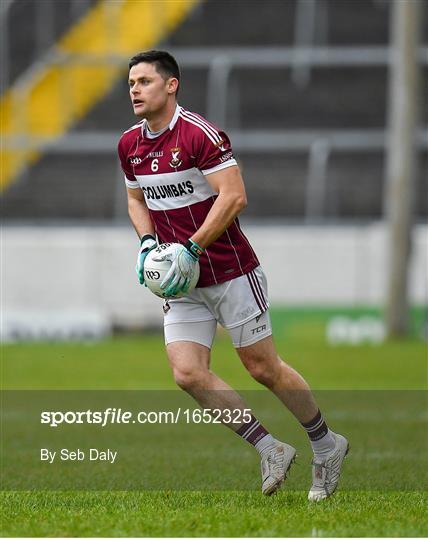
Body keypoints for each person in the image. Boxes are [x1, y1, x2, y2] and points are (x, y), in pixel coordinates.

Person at [118, 49, 349, 500]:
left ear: (171, 85)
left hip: (229, 270)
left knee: (262, 368)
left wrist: (191, 248)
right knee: (187, 373)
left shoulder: (199, 134)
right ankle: (269, 448)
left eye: (144, 81)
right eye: (130, 84)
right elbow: (135, 200)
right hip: (182, 283)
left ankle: (326, 444)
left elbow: (235, 196)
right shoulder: (129, 144)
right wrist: (149, 244)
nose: (135, 90)